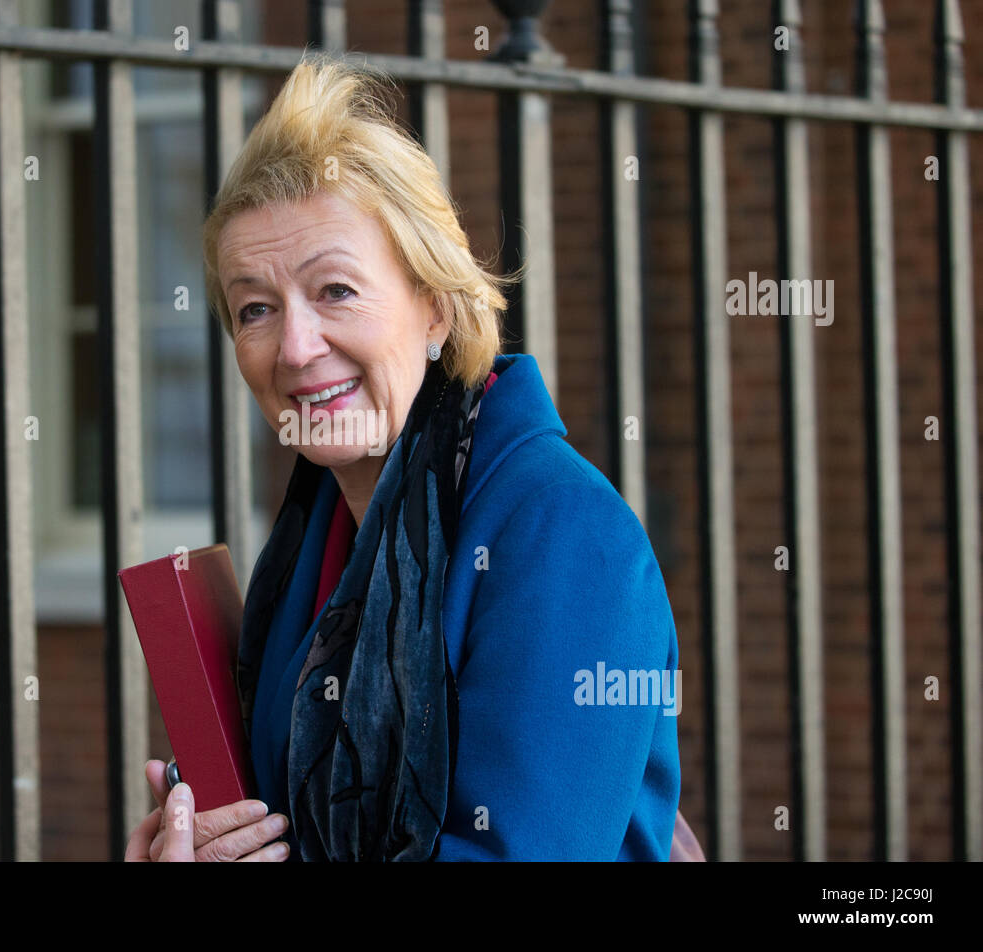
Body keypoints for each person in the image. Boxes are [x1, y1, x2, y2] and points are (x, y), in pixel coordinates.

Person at [125, 50, 682, 862]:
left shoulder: (562, 532)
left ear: (436, 308)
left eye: (336, 291)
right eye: (255, 308)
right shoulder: (321, 535)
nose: (296, 346)